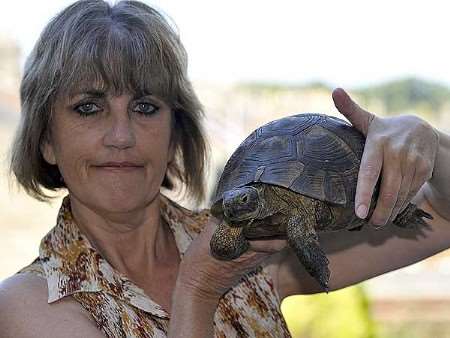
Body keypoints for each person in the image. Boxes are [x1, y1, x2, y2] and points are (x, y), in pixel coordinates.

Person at [0, 0, 449, 337]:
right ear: (46, 140)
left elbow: (444, 215)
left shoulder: (257, 242)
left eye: (144, 106)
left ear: (175, 133)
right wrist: (197, 288)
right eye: (88, 107)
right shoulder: (29, 306)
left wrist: (427, 142)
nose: (121, 135)